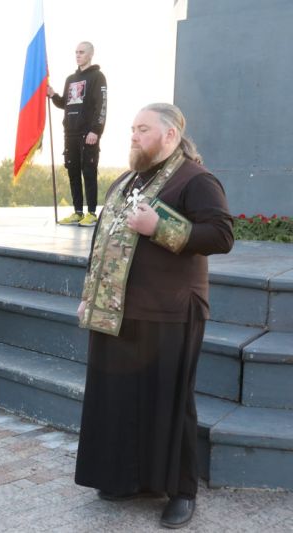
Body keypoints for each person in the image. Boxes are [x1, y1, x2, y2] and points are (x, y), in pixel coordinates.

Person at [74, 103, 234, 529]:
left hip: (170, 311)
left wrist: (160, 228)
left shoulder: (195, 180)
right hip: (117, 309)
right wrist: (89, 296)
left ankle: (182, 491)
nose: (133, 135)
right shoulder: (127, 181)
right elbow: (102, 239)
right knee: (122, 397)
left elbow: (221, 235)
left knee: (170, 401)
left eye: (143, 129)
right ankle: (131, 479)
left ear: (170, 134)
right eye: (132, 128)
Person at [48, 41, 107, 227]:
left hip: (87, 134)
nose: (78, 55)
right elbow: (65, 104)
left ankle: (91, 213)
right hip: (70, 133)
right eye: (76, 52)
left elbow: (102, 105)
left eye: (81, 52)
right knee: (73, 172)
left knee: (88, 172)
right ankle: (78, 212)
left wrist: (96, 130)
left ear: (90, 54)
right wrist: (53, 95)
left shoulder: (98, 77)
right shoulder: (70, 79)